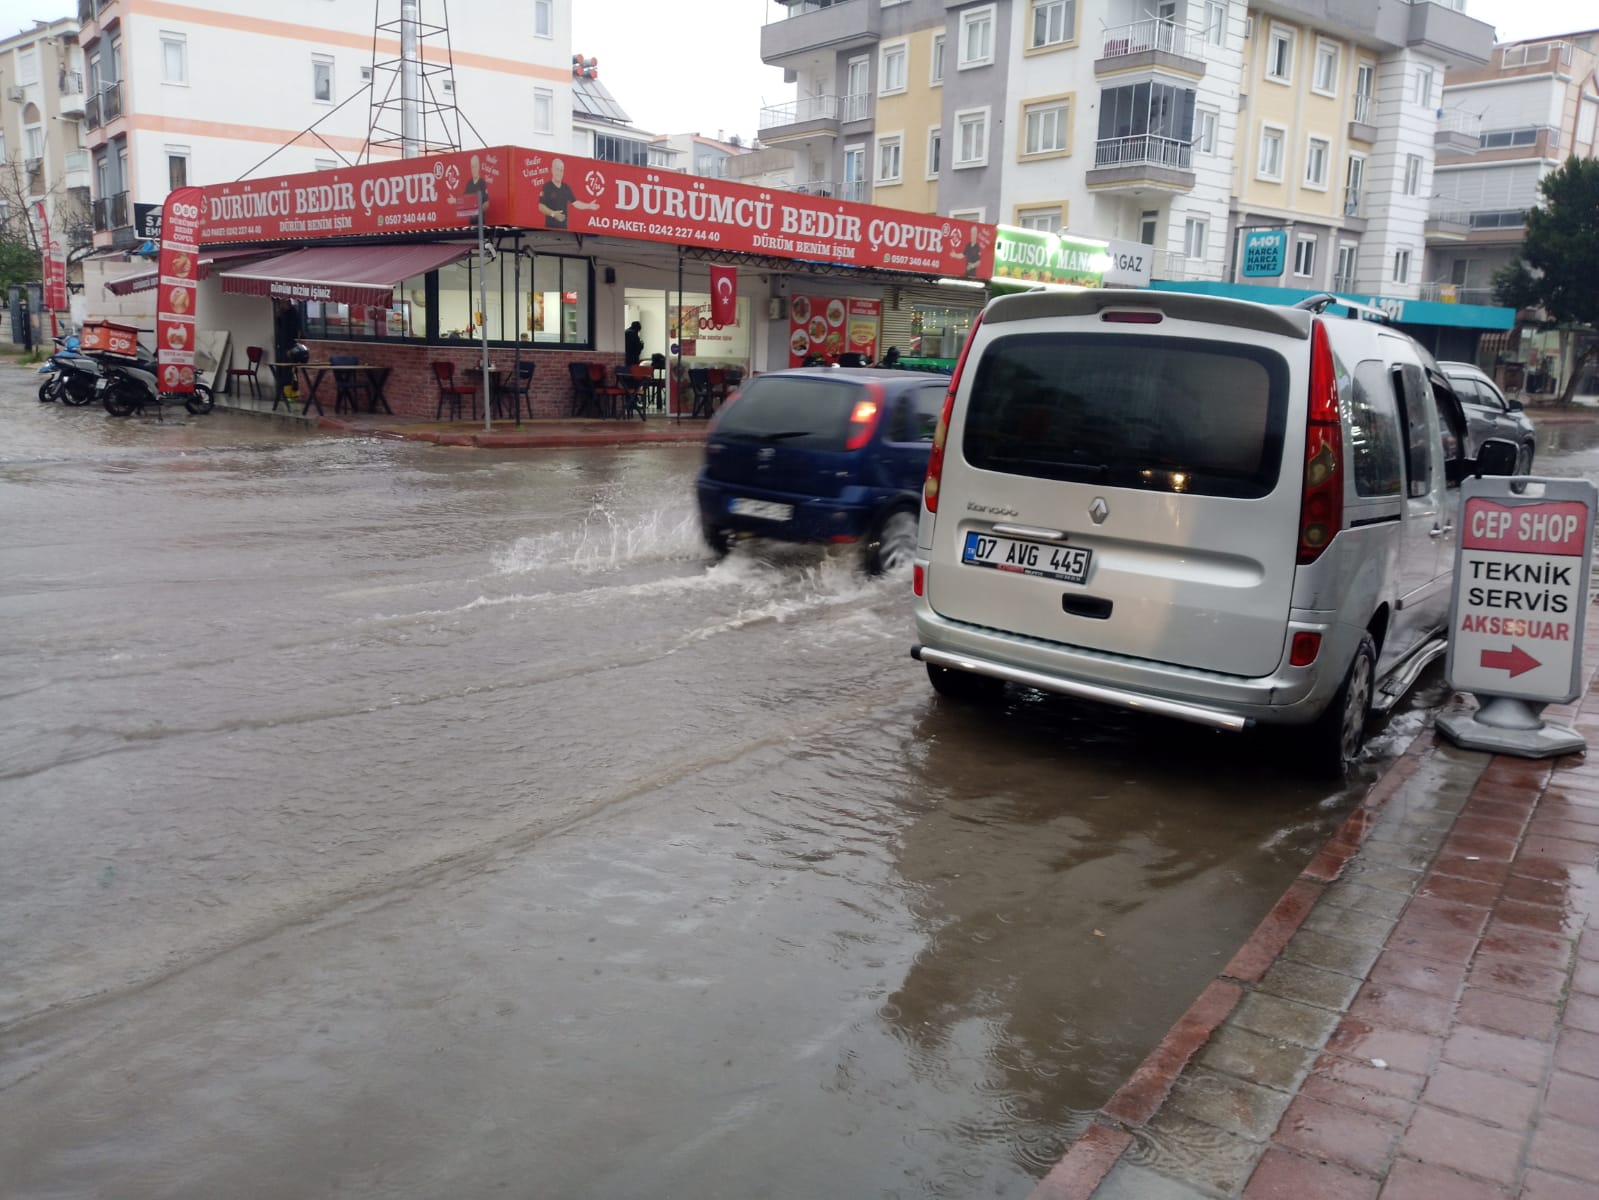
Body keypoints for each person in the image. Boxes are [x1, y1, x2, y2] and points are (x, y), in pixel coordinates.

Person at [537, 158, 599, 230]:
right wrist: (553, 214)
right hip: (549, 230)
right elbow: (541, 206)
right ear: (552, 170)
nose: (559, 173)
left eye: (561, 170)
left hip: (564, 230)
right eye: (557, 169)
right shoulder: (547, 186)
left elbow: (575, 203)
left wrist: (588, 206)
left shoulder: (566, 187)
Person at [273, 297, 302, 400]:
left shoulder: (293, 314)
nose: (280, 306)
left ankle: (291, 394)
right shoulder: (281, 314)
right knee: (283, 371)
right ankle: (284, 393)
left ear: (288, 303)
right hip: (281, 346)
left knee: (290, 372)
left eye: (282, 303)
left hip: (290, 346)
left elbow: (295, 332)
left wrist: (292, 347)